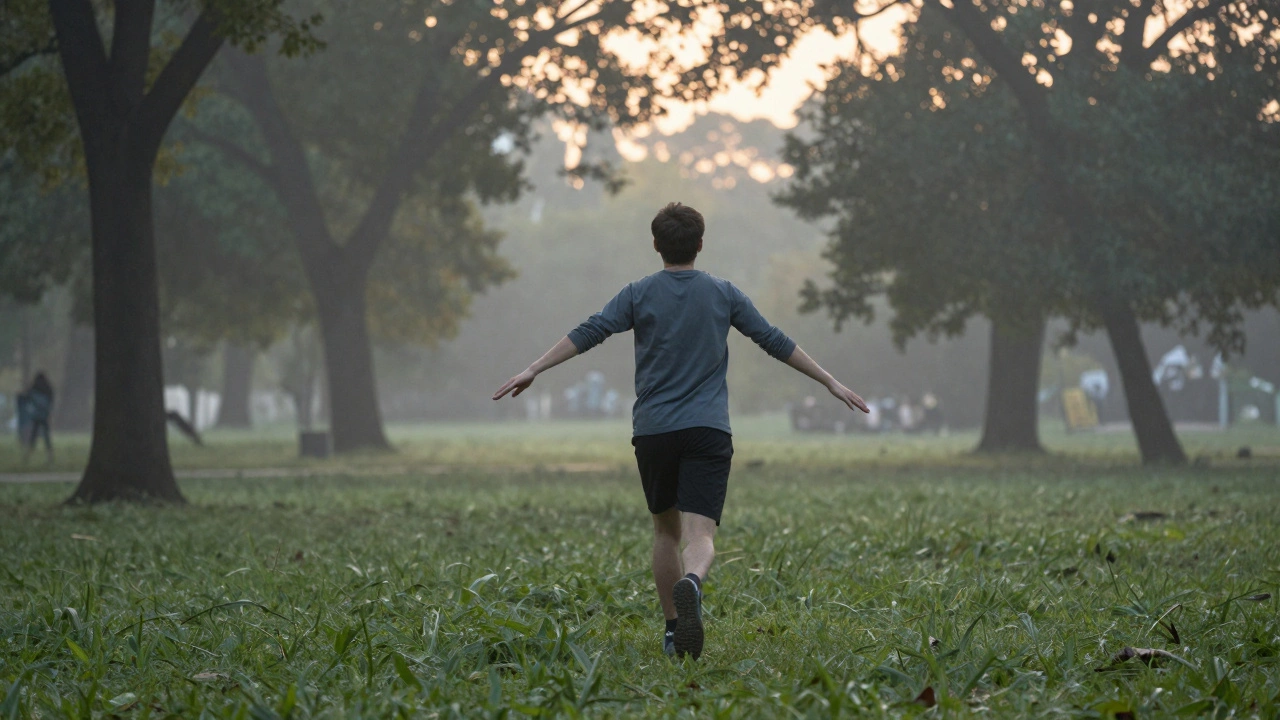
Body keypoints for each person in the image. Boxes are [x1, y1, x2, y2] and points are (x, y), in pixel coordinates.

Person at [492, 202, 868, 660]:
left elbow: (591, 331)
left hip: (654, 431)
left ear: (656, 246)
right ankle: (693, 582)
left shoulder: (638, 293)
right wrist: (829, 380)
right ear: (700, 244)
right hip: (708, 429)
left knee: (665, 533)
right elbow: (773, 339)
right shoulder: (723, 292)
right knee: (700, 535)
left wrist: (534, 369)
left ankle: (674, 629)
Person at [21, 372, 55, 464]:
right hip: (44, 416)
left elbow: (27, 397)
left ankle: (27, 457)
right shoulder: (48, 389)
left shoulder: (34, 389)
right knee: (47, 437)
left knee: (33, 436)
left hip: (36, 416)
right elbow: (51, 402)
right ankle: (50, 457)